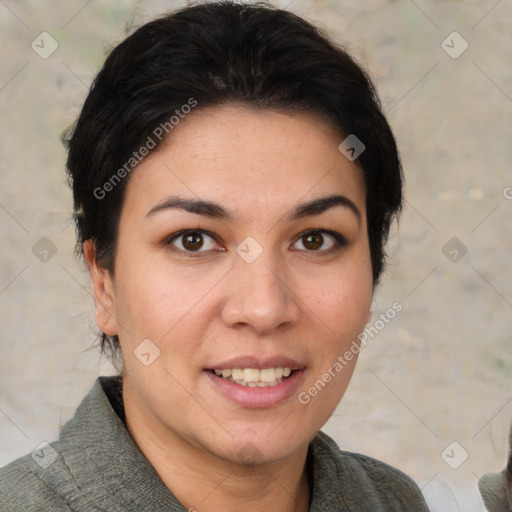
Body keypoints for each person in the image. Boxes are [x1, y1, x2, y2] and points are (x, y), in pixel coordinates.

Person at [0, 1, 430, 510]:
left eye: (315, 239)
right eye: (193, 240)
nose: (264, 308)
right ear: (103, 281)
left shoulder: (391, 501)